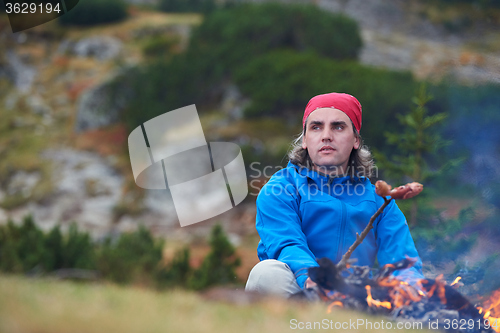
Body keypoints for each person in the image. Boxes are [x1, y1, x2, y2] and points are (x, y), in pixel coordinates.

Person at [245, 92, 424, 298]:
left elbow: (402, 261)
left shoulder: (379, 202)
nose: (326, 135)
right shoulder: (280, 190)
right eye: (316, 127)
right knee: (265, 274)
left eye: (338, 126)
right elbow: (287, 245)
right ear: (305, 140)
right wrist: (314, 279)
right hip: (300, 291)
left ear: (356, 140)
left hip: (354, 298)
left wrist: (409, 288)